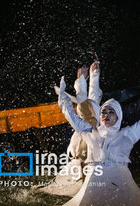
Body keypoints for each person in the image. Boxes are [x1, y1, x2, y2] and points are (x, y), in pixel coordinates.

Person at [49, 76, 140, 206]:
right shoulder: (89, 131)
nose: (106, 115)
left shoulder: (129, 134)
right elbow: (70, 115)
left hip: (120, 181)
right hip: (94, 182)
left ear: (118, 115)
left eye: (111, 112)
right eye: (103, 112)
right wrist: (63, 95)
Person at [39, 62, 102, 197]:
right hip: (79, 164)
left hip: (91, 166)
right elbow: (84, 101)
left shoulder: (91, 122)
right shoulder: (84, 123)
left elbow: (85, 99)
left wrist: (88, 77)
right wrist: (90, 76)